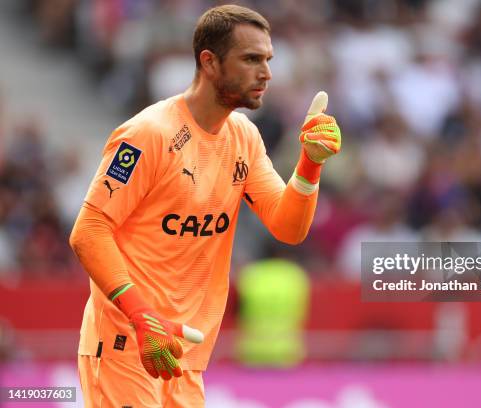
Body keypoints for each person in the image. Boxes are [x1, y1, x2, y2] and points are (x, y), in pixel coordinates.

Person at [69, 5, 341, 407]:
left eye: (268, 60)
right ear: (209, 62)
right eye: (251, 59)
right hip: (127, 346)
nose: (265, 72)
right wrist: (142, 316)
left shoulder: (244, 137)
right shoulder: (149, 134)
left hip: (185, 357)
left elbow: (288, 227)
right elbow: (88, 231)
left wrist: (310, 163)